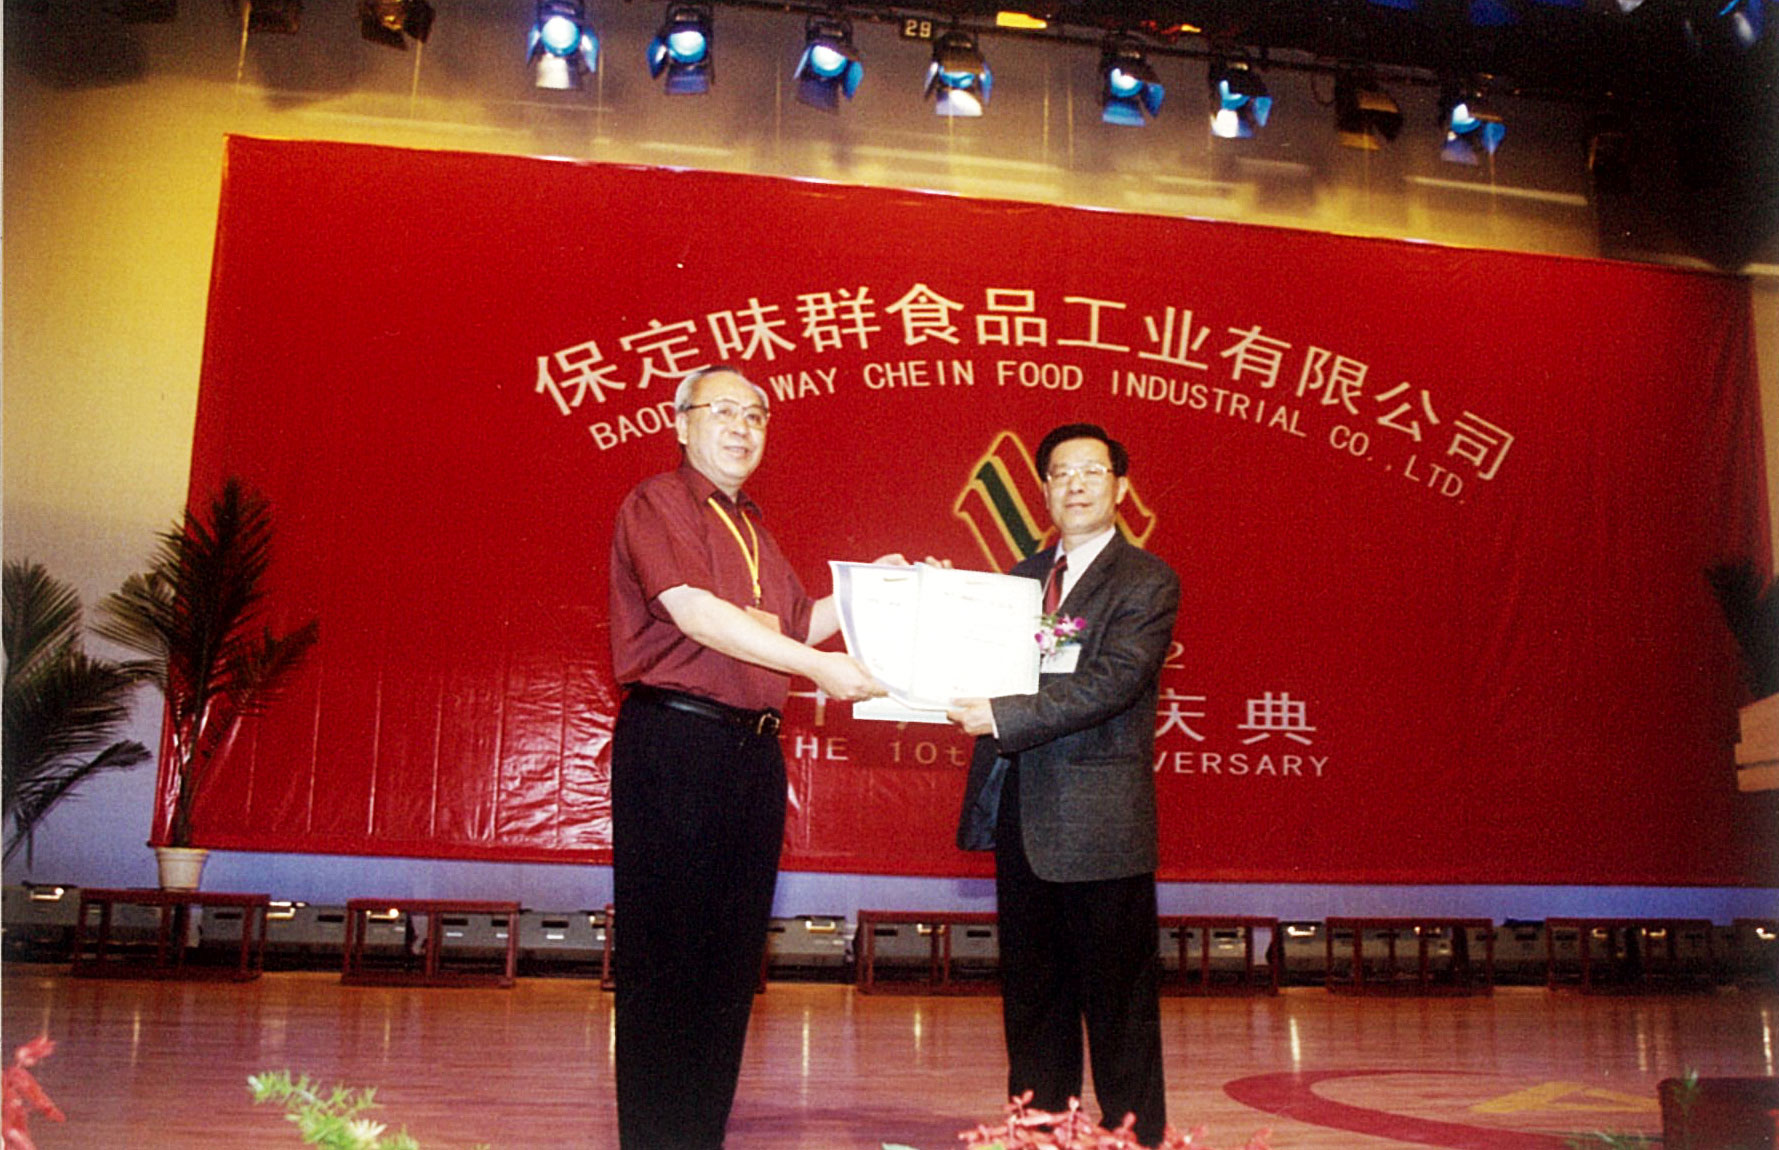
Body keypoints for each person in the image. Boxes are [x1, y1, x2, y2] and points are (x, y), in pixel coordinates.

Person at [607, 365, 887, 1150]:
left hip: (752, 753)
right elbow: (695, 613)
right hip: (680, 743)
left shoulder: (752, 528)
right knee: (668, 960)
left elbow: (795, 625)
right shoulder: (660, 502)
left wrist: (881, 593)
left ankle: (697, 1137)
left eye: (756, 415)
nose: (741, 427)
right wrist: (818, 669)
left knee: (729, 965)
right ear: (679, 422)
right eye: (722, 411)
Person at [946, 422, 1181, 1148]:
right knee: (1032, 998)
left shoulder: (1145, 579)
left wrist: (1002, 714)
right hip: (1022, 814)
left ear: (1120, 487)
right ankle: (1040, 1132)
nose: (1074, 485)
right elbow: (973, 659)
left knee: (1119, 1004)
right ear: (1043, 489)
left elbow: (1111, 683)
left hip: (1100, 824)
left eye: (1090, 471)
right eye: (1059, 473)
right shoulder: (1017, 580)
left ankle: (1133, 1137)